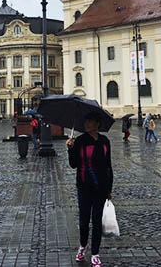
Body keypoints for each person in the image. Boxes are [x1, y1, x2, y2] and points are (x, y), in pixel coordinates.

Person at [66, 112, 113, 267]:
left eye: (90, 122)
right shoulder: (80, 141)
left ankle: (95, 253)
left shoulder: (105, 141)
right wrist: (70, 149)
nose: (86, 124)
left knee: (97, 221)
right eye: (86, 121)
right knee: (84, 220)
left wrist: (109, 188)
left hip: (100, 187)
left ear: (97, 124)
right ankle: (82, 245)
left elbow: (108, 166)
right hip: (84, 186)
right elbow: (73, 164)